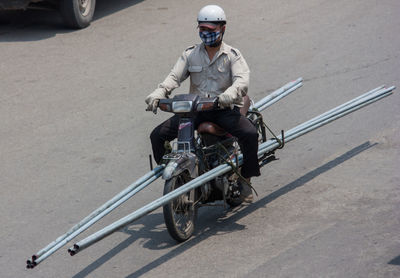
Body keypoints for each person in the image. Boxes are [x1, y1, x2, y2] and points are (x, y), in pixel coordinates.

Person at [145, 5, 260, 202]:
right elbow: (174, 76)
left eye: (210, 30)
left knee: (249, 134)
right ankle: (177, 176)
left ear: (222, 29)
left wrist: (230, 94)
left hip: (221, 109)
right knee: (157, 136)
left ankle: (246, 180)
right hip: (194, 110)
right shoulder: (191, 54)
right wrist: (159, 92)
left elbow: (242, 81)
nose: (206, 34)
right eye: (202, 29)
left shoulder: (232, 55)